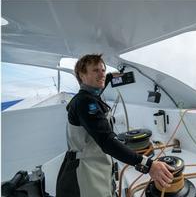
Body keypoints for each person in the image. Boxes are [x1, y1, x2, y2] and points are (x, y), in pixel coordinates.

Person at [56, 54, 174, 197]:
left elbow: (103, 81)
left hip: (96, 165)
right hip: (85, 171)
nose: (101, 74)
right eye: (95, 70)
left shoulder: (91, 96)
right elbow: (106, 141)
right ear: (82, 74)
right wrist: (148, 165)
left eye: (103, 70)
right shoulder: (85, 102)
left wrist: (112, 76)